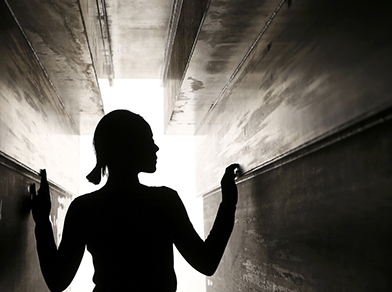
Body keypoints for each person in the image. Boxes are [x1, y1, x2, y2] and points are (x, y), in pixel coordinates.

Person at [29, 109, 241, 292]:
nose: (155, 148)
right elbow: (206, 262)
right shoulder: (165, 201)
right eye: (148, 140)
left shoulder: (84, 208)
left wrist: (42, 221)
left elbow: (57, 281)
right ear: (128, 147)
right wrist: (228, 203)